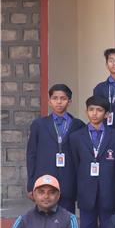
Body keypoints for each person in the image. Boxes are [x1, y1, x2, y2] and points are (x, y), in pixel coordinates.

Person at [70, 95, 115, 228]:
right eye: (91, 109)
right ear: (86, 111)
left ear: (106, 114)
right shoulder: (76, 137)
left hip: (109, 190)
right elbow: (75, 165)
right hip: (86, 191)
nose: (95, 113)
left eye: (99, 110)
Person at [26, 83, 85, 212]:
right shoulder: (39, 125)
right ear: (49, 101)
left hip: (69, 181)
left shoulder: (78, 125)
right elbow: (31, 155)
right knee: (44, 219)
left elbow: (82, 157)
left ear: (69, 102)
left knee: (67, 217)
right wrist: (31, 184)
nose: (59, 102)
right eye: (55, 98)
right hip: (45, 181)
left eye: (63, 98)